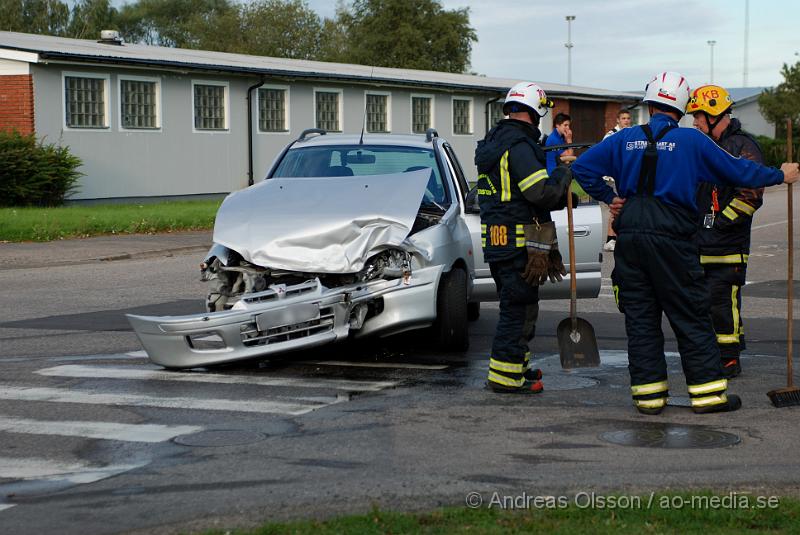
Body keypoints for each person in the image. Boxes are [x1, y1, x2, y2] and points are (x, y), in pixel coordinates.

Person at [570, 71, 800, 415]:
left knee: (642, 319)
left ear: (649, 106)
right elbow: (740, 172)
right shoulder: (692, 142)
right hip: (673, 233)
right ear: (680, 108)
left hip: (631, 233)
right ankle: (708, 396)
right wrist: (781, 174)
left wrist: (611, 198)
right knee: (691, 314)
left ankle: (648, 398)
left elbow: (582, 168)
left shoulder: (623, 139)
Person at [475, 81, 573, 394]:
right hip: (518, 245)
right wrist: (562, 175)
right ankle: (505, 378)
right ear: (534, 112)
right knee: (516, 312)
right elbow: (540, 194)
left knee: (523, 308)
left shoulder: (495, 142)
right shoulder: (518, 146)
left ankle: (517, 367)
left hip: (499, 242)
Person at [687, 85, 765, 379]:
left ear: (715, 115)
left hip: (727, 244)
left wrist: (719, 224)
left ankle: (728, 359)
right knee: (716, 302)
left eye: (698, 116)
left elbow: (751, 196)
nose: (694, 122)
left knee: (721, 301)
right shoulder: (709, 145)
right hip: (704, 242)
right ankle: (730, 347)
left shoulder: (742, 146)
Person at [602, 109, 633, 252]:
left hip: (626, 176)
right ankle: (610, 239)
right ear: (618, 121)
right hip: (613, 177)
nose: (626, 121)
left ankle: (620, 237)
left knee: (626, 207)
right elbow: (606, 155)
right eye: (623, 118)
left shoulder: (632, 134)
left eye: (628, 118)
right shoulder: (611, 136)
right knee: (615, 208)